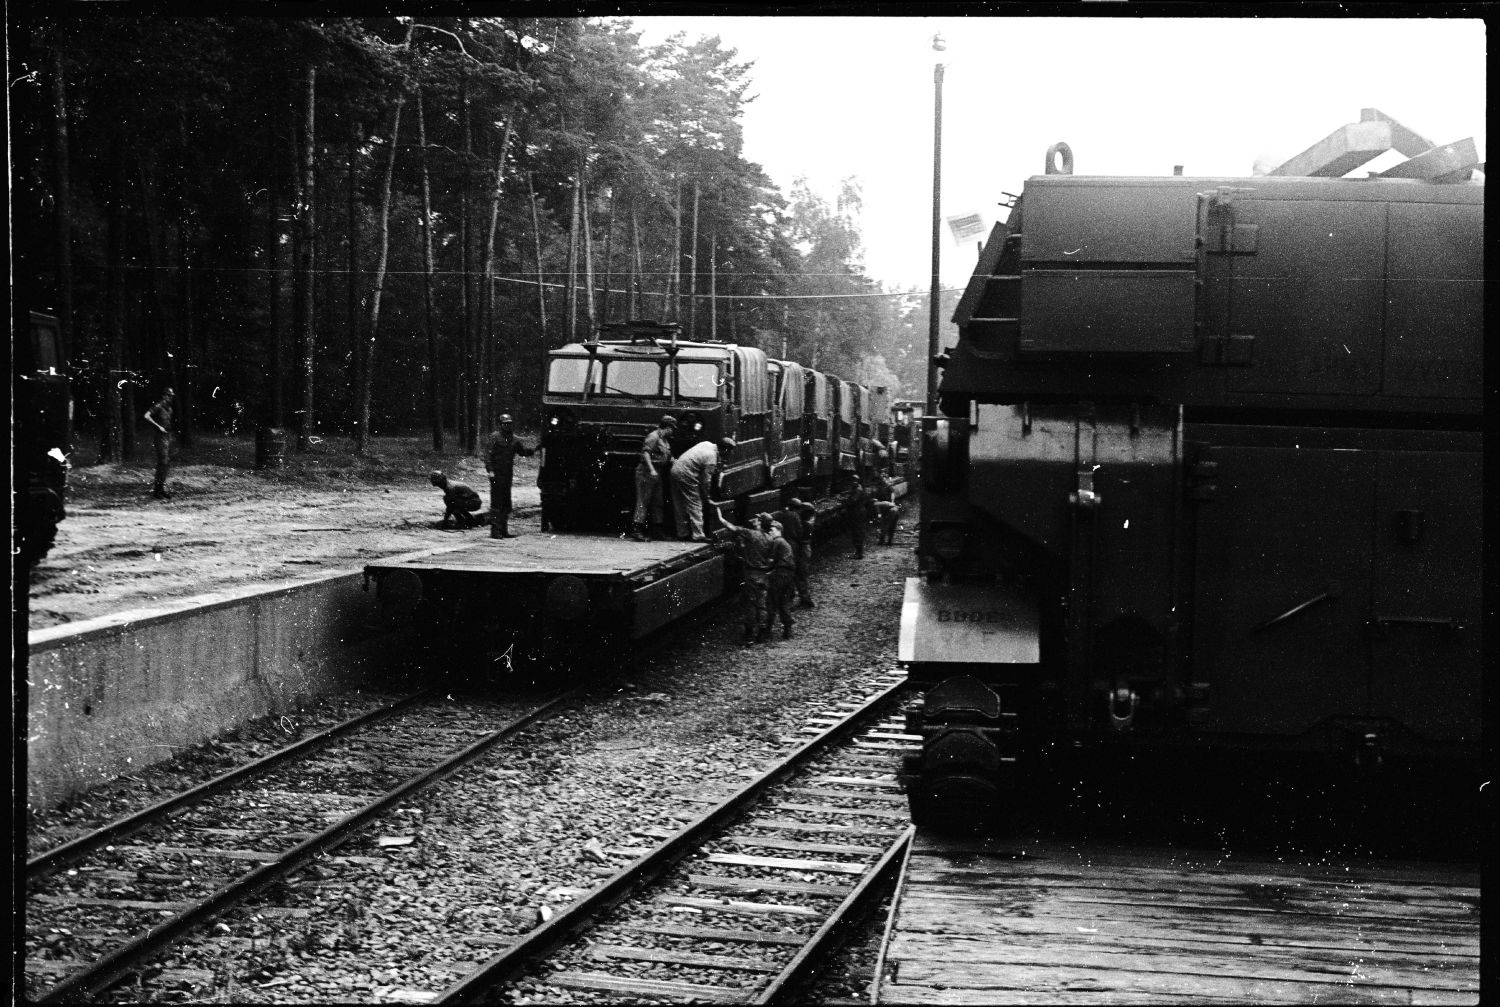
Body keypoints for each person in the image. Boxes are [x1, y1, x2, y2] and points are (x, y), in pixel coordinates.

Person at [717, 507, 776, 644]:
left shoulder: (751, 534)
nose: (755, 520)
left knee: (750, 605)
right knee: (762, 605)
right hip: (764, 575)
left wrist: (719, 515)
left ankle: (749, 636)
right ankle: (762, 633)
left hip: (752, 574)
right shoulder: (770, 539)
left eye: (758, 519)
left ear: (761, 523)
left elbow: (731, 527)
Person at [671, 437, 734, 542]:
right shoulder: (711, 459)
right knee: (695, 503)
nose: (730, 454)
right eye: (730, 451)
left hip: (675, 470)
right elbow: (706, 481)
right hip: (687, 474)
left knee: (679, 503)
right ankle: (698, 535)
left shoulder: (707, 444)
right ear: (725, 450)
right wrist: (707, 498)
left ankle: (682, 533)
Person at [486, 414, 536, 539]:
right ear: (501, 425)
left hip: (508, 474)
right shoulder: (495, 437)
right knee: (496, 503)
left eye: (509, 423)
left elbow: (522, 452)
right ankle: (495, 531)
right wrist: (490, 470)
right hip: (497, 474)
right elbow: (488, 456)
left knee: (506, 503)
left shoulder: (514, 439)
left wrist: (534, 450)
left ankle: (503, 530)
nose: (507, 426)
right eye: (505, 423)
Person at [631, 415, 677, 541]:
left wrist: (674, 461)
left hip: (658, 473)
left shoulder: (665, 440)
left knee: (658, 502)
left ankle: (657, 530)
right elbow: (646, 453)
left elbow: (667, 455)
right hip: (646, 472)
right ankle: (637, 529)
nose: (673, 431)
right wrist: (651, 469)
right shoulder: (654, 436)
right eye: (672, 428)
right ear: (667, 427)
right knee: (643, 501)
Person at [772, 498, 814, 609]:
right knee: (799, 573)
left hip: (783, 546)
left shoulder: (780, 514)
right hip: (795, 547)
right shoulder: (797, 517)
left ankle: (788, 601)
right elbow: (799, 533)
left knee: (788, 573)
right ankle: (804, 598)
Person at [764, 519, 798, 639]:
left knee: (771, 601)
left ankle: (767, 629)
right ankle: (787, 630)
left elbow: (771, 560)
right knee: (784, 603)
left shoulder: (777, 541)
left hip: (779, 575)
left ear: (779, 531)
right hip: (788, 575)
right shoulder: (784, 542)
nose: (770, 532)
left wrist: (764, 570)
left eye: (772, 530)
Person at [144, 387, 175, 500]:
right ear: (164, 396)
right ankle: (157, 490)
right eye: (169, 395)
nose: (171, 397)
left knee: (166, 464)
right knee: (163, 462)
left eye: (172, 396)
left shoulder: (169, 408)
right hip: (160, 437)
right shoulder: (159, 406)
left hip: (167, 436)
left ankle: (161, 489)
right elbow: (146, 415)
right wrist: (158, 426)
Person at [847, 477, 873, 559]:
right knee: (858, 531)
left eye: (854, 481)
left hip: (857, 512)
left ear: (856, 481)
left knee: (857, 532)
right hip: (859, 511)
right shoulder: (858, 487)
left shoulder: (858, 489)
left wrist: (846, 500)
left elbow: (853, 500)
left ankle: (859, 553)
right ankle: (858, 552)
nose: (852, 482)